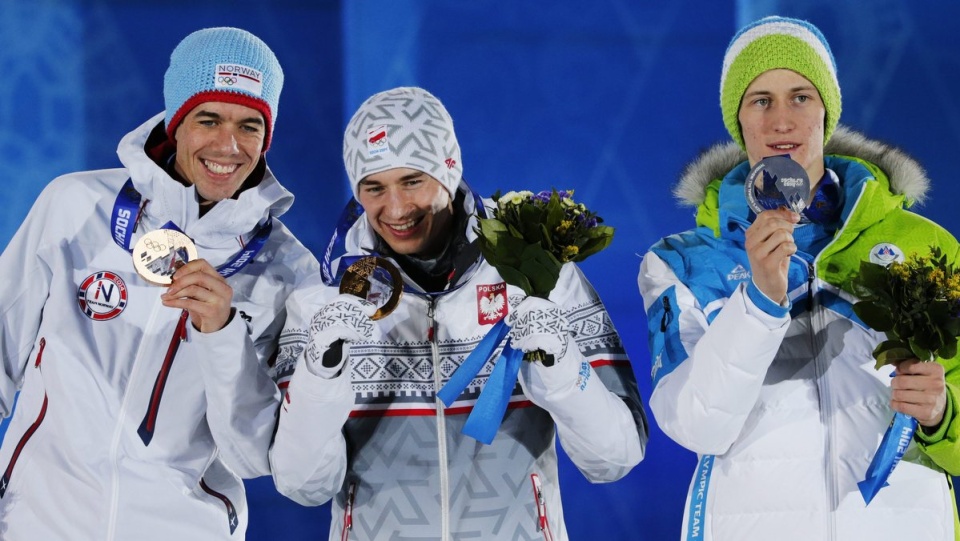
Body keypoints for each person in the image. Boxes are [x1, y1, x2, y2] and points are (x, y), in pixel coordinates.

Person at [270, 86, 647, 540]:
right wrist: (321, 373)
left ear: (449, 172)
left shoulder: (538, 276)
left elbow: (615, 458)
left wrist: (561, 367)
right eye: (374, 187)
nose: (395, 208)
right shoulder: (322, 301)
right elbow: (303, 486)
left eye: (412, 180)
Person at [638, 15, 960, 540]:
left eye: (800, 96)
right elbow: (696, 426)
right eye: (760, 100)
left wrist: (944, 412)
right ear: (738, 121)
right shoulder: (685, 262)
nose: (781, 120)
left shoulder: (922, 245)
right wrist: (759, 304)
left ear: (827, 112)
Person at [0, 27, 318, 540]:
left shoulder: (286, 269)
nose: (228, 146)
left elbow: (253, 456)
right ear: (175, 123)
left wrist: (221, 332)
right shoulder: (75, 206)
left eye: (250, 126)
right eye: (208, 119)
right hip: (38, 522)